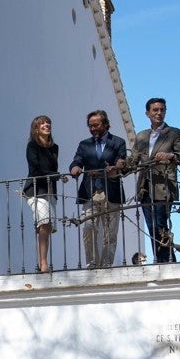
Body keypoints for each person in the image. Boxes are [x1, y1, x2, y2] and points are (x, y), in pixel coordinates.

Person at [132, 97, 180, 263]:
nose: (159, 113)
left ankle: (167, 260)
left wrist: (170, 156)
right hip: (144, 187)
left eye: (162, 110)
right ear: (147, 113)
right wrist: (121, 165)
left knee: (161, 225)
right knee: (151, 227)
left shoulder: (174, 133)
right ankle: (161, 258)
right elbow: (134, 160)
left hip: (163, 186)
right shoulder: (141, 136)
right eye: (155, 110)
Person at [69, 109, 127, 268]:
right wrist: (74, 168)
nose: (93, 128)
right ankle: (93, 264)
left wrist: (118, 166)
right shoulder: (84, 144)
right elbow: (77, 161)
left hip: (111, 191)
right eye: (90, 126)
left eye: (96, 125)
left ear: (106, 124)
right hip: (90, 192)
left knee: (110, 233)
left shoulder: (118, 142)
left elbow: (122, 161)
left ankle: (107, 264)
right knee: (88, 227)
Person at [22, 114, 63, 273]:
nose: (47, 125)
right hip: (36, 189)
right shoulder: (32, 146)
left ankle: (43, 262)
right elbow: (35, 168)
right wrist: (54, 175)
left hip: (50, 190)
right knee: (43, 224)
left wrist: (56, 176)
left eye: (48, 123)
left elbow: (52, 168)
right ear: (36, 128)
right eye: (42, 123)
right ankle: (43, 264)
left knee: (47, 226)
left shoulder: (54, 148)